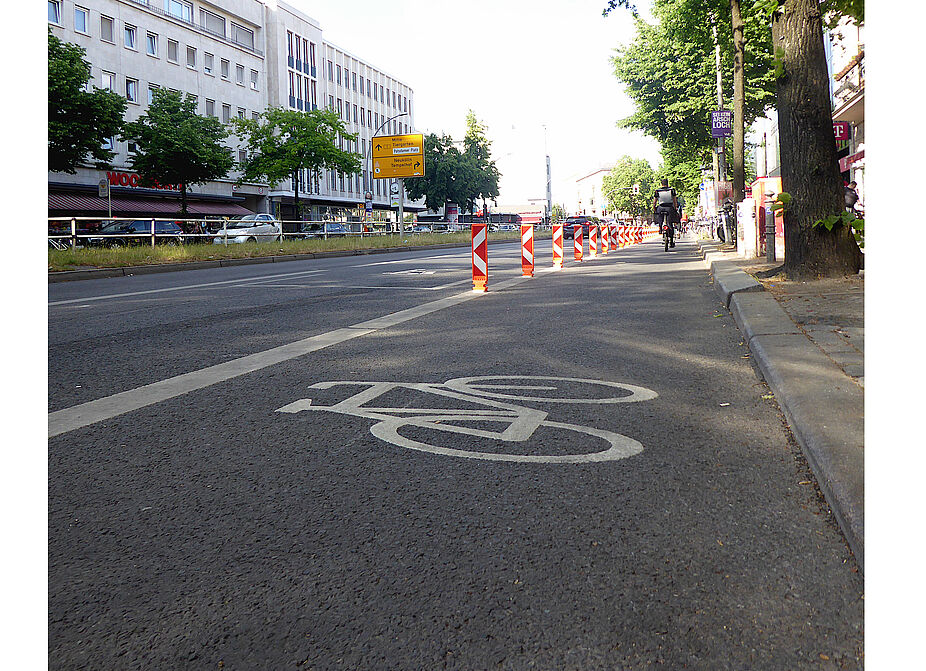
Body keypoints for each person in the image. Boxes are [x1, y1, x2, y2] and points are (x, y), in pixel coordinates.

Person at [652, 178, 678, 248]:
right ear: (667, 183)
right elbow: (674, 200)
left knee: (659, 216)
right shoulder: (672, 190)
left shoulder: (657, 191)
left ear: (661, 184)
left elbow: (655, 201)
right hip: (669, 207)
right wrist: (675, 208)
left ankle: (660, 227)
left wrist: (654, 208)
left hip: (661, 207)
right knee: (670, 223)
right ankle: (671, 240)